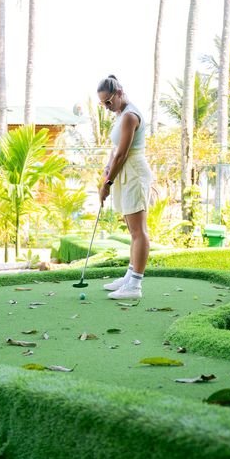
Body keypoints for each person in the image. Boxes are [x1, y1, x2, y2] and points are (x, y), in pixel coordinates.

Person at [97, 75, 152, 299]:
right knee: (133, 230)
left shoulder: (130, 116)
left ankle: (134, 286)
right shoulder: (120, 114)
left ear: (119, 92)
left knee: (139, 232)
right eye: (103, 104)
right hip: (125, 173)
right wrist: (106, 170)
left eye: (108, 102)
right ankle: (130, 276)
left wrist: (108, 183)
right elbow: (114, 150)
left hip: (134, 173)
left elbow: (123, 153)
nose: (107, 107)